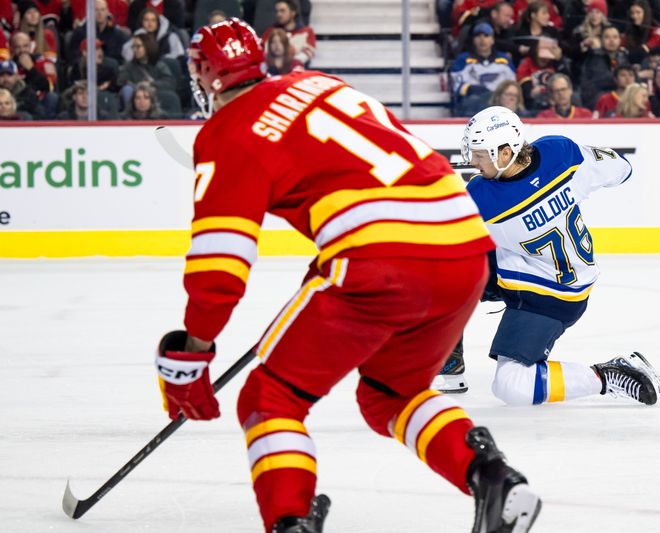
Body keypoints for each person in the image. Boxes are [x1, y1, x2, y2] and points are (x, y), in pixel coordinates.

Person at [155, 18, 541, 533]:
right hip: (463, 247)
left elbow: (218, 264)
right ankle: (492, 477)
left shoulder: (227, 132)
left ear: (205, 75)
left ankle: (289, 520)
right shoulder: (319, 84)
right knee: (390, 393)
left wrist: (191, 350)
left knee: (270, 398)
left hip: (379, 261)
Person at [436, 105, 660, 407]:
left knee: (512, 386)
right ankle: (449, 366)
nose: (471, 161)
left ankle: (607, 376)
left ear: (504, 153)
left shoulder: (483, 198)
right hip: (534, 267)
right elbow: (621, 168)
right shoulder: (561, 152)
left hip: (551, 297)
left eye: (479, 154)